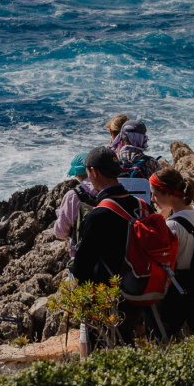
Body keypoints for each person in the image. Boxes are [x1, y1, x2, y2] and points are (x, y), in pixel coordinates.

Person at [70, 146, 169, 344]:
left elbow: (82, 269)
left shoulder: (98, 215)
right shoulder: (143, 206)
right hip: (142, 290)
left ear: (94, 172)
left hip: (112, 300)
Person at [149, 168, 194, 337]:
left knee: (162, 335)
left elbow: (160, 260)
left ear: (169, 195)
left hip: (174, 289)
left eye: (155, 195)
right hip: (193, 281)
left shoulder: (172, 226)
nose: (152, 199)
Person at [53, 152, 101, 253]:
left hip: (83, 257)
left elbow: (60, 233)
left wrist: (60, 214)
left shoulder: (73, 196)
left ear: (78, 174)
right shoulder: (106, 191)